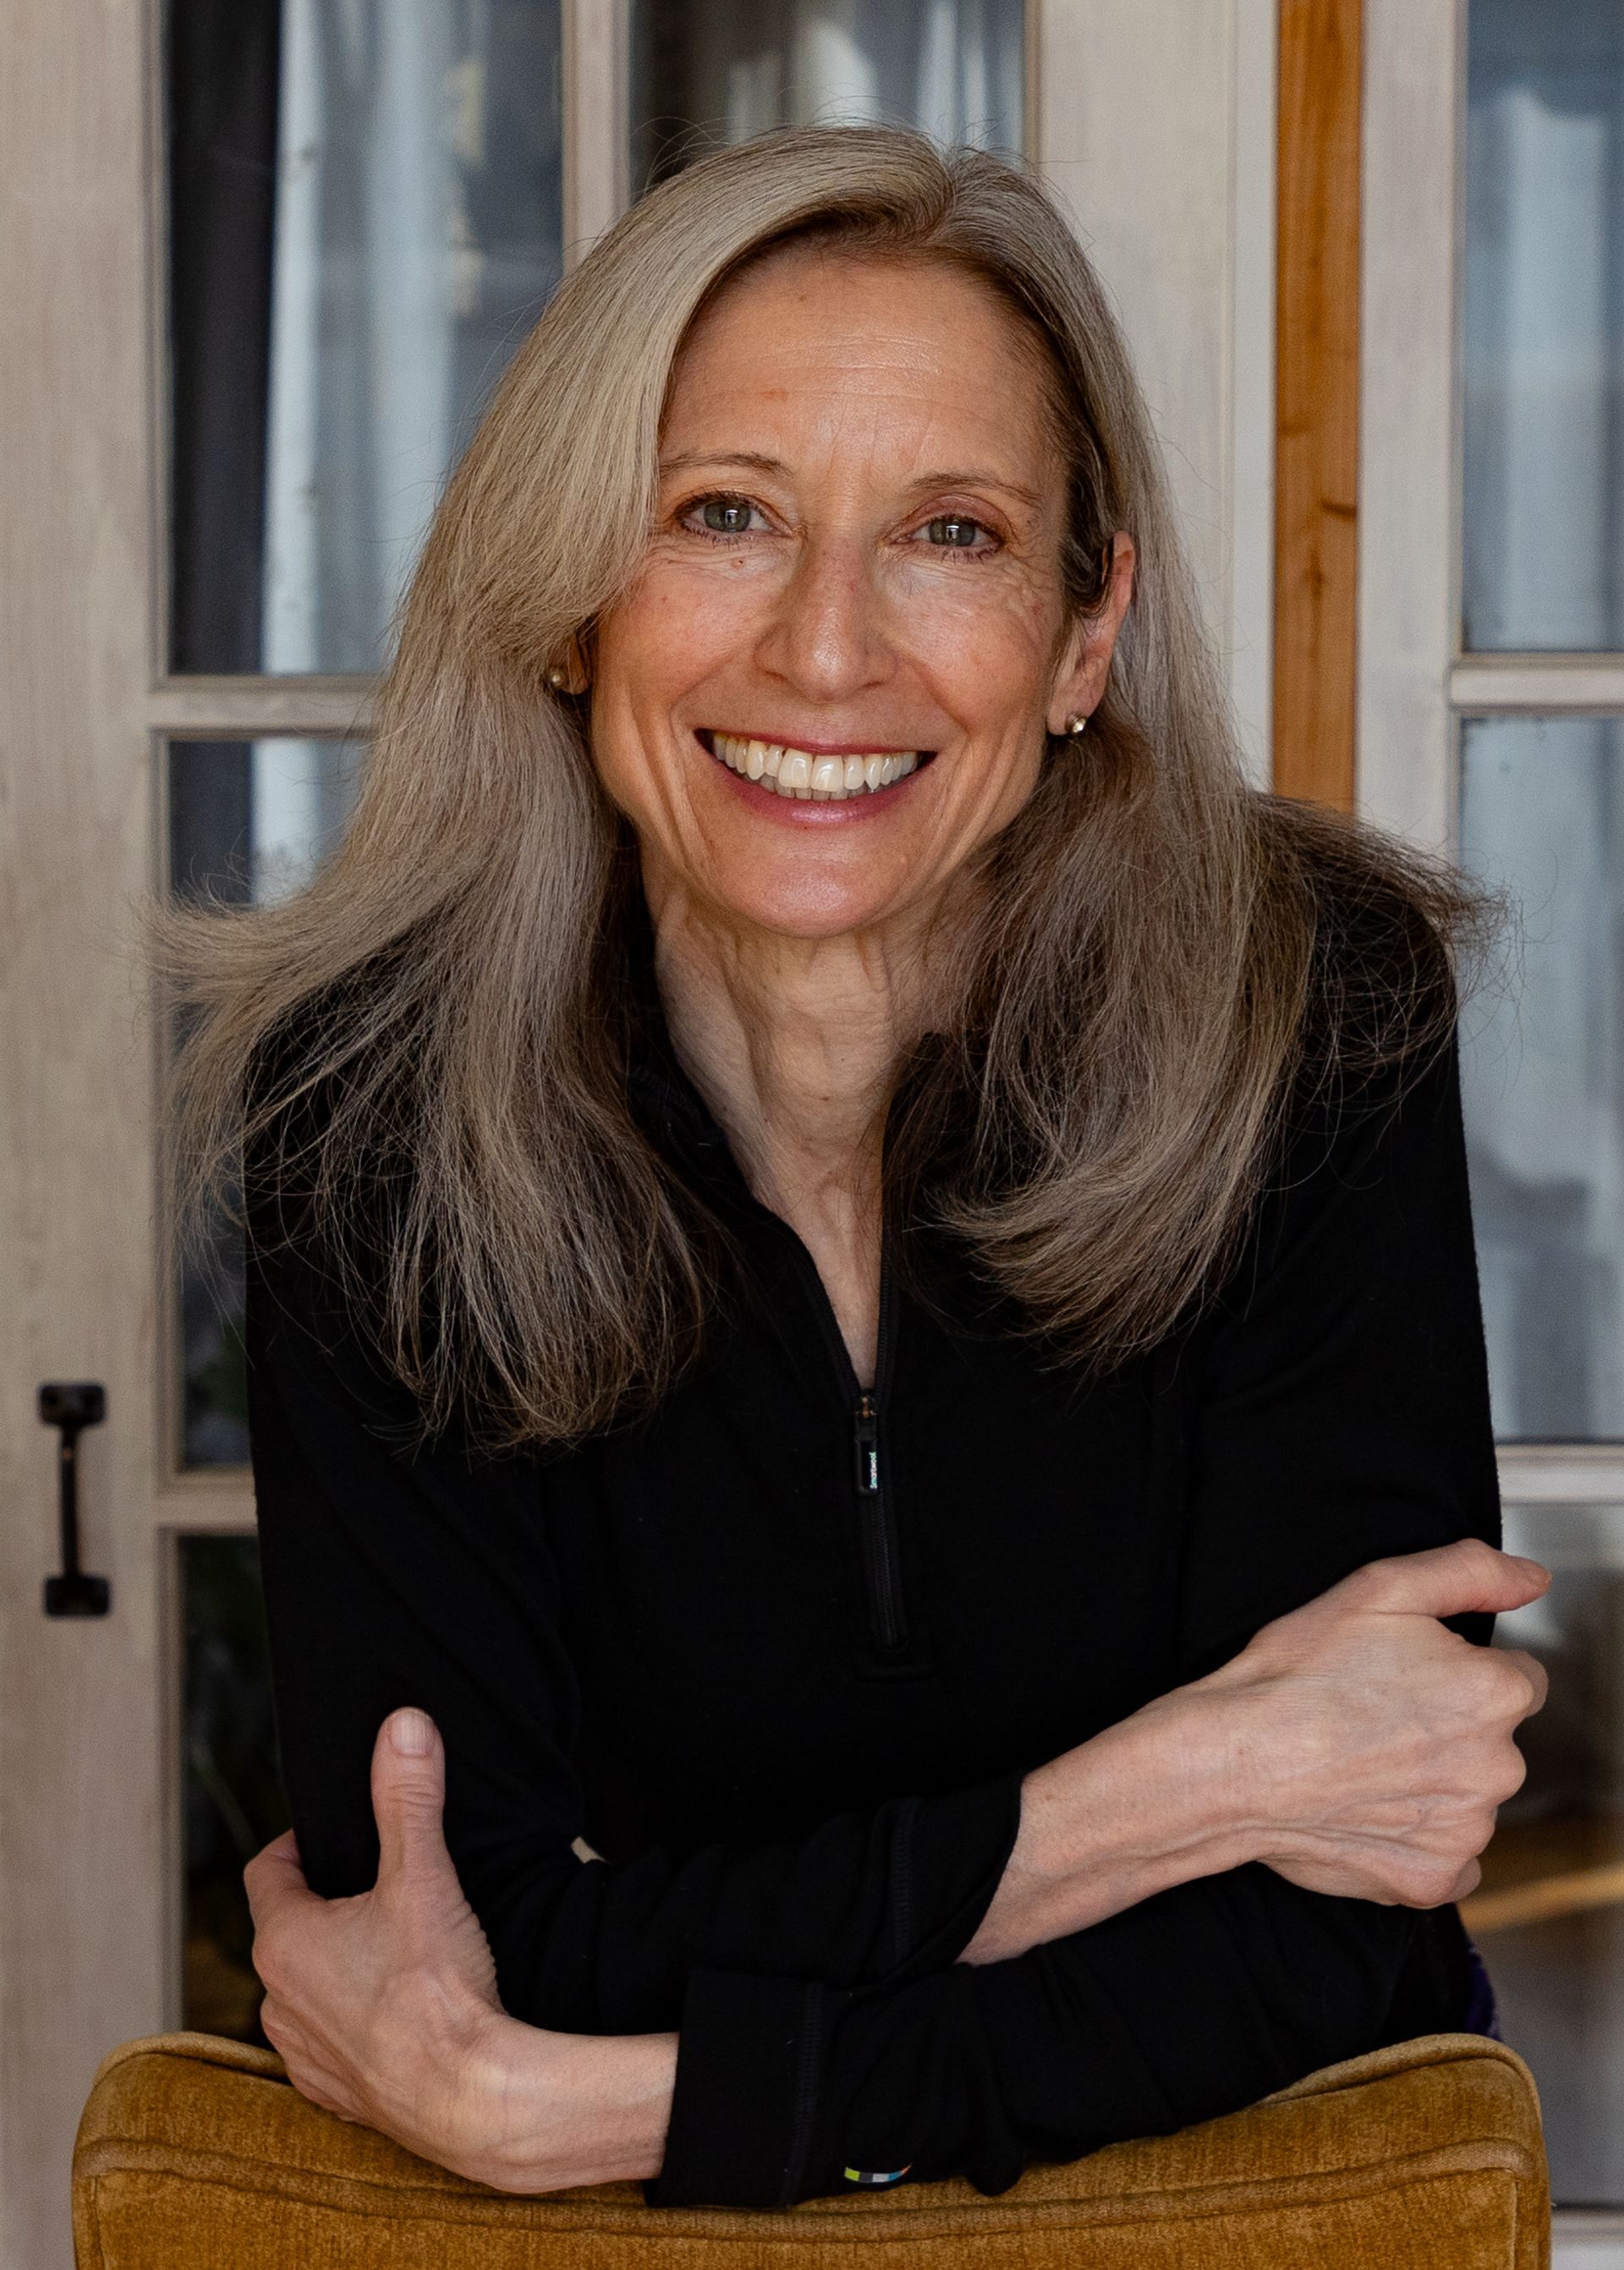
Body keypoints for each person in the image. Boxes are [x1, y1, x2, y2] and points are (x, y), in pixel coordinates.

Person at [165, 126, 1547, 2209]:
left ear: (1088, 636)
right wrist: (1176, 1792)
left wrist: (628, 2100)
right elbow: (482, 1932)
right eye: (724, 513)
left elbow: (1333, 1946)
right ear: (568, 604)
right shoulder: (367, 1124)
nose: (828, 650)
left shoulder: (1308, 1017)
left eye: (953, 534)